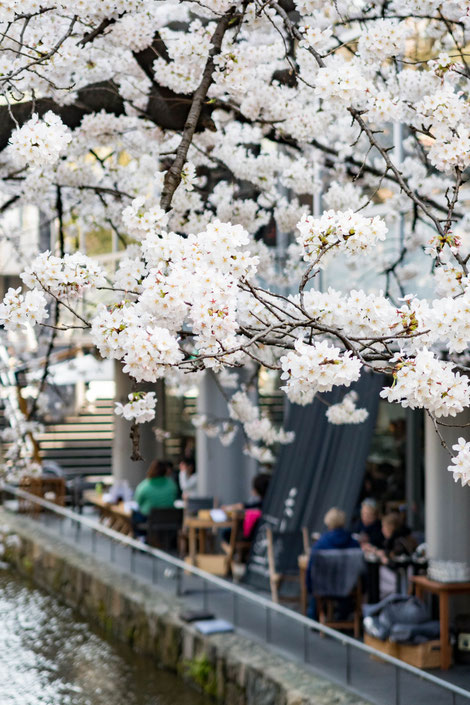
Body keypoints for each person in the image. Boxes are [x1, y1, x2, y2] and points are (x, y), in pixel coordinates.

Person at [306, 507, 359, 617]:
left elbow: (311, 569)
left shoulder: (321, 543)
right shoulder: (353, 543)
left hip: (324, 587)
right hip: (347, 586)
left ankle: (314, 618)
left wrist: (310, 588)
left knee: (315, 588)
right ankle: (343, 617)